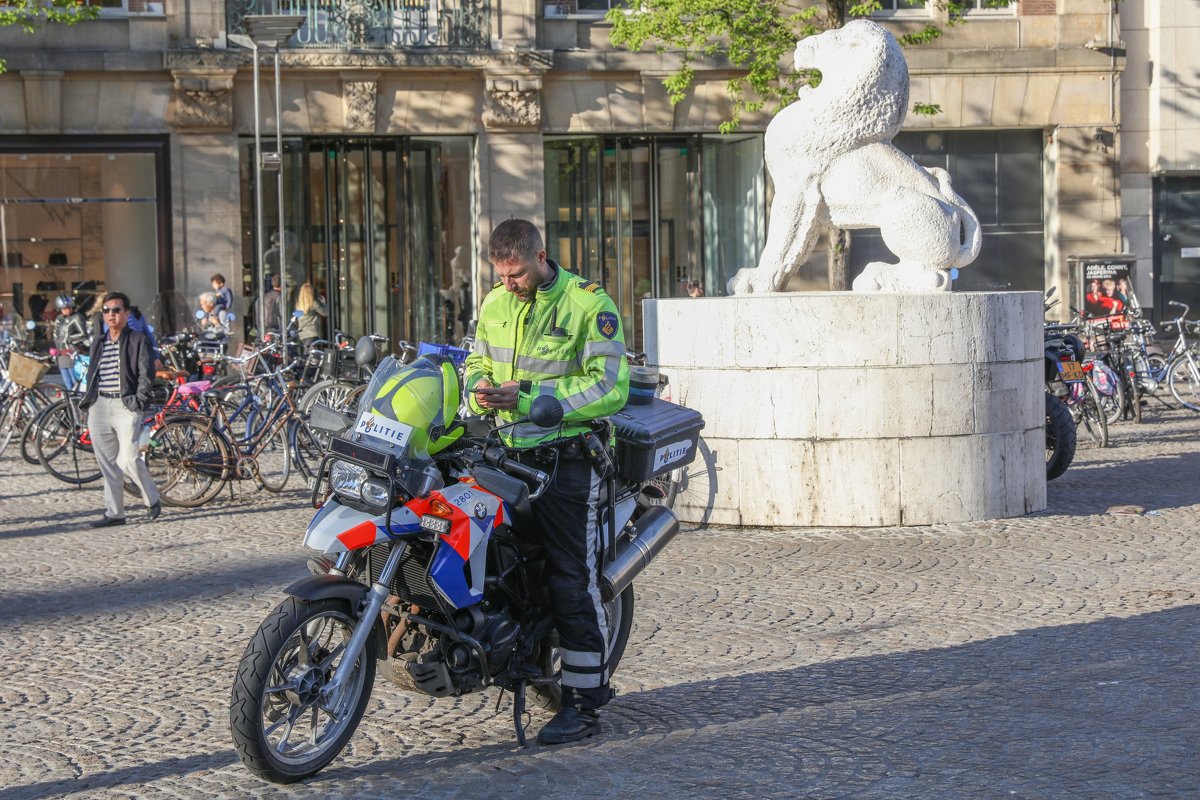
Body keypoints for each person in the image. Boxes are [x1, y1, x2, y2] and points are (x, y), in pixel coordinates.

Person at [463, 218, 630, 746]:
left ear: (540, 257)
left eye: (516, 274)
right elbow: (474, 359)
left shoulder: (588, 304)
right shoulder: (494, 303)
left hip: (568, 458)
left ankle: (584, 704)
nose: (508, 284)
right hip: (506, 450)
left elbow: (609, 385)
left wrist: (531, 398)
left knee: (569, 577)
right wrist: (477, 389)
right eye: (501, 275)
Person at [78, 292, 161, 527]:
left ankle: (152, 498)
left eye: (116, 310)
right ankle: (115, 513)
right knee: (108, 463)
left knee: (128, 459)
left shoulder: (137, 339)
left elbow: (147, 374)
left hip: (127, 405)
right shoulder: (99, 343)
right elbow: (94, 374)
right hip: (101, 406)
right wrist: (90, 401)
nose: (111, 314)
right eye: (106, 310)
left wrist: (138, 400)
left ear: (126, 313)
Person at [52, 294, 89, 391]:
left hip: (72, 352)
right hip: (61, 354)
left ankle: (77, 400)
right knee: (66, 381)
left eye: (68, 308)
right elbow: (56, 335)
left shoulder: (77, 317)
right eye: (64, 309)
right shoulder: (59, 319)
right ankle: (71, 401)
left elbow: (83, 333)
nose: (66, 310)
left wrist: (69, 339)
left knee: (75, 379)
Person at [294, 282, 327, 347]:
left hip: (302, 334)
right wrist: (324, 303)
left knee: (310, 353)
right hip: (312, 333)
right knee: (310, 354)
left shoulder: (298, 305)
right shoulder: (314, 304)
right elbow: (325, 313)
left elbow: (295, 320)